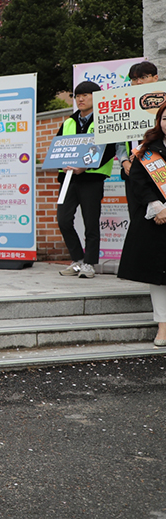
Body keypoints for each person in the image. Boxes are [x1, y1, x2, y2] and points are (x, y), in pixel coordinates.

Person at [56, 81, 117, 279]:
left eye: (85, 95)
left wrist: (87, 167)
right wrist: (62, 167)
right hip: (69, 179)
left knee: (91, 221)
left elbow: (109, 150)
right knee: (63, 219)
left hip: (92, 178)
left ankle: (89, 263)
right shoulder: (68, 122)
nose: (80, 99)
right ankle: (77, 260)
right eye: (77, 96)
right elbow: (58, 149)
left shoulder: (104, 120)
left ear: (96, 97)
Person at [117, 101, 166, 346]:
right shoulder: (148, 150)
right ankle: (163, 327)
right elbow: (138, 181)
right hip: (157, 220)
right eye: (165, 119)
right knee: (158, 276)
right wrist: (157, 206)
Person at [119, 61, 159, 177]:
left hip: (159, 166)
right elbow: (119, 139)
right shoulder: (123, 106)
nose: (139, 82)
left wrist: (142, 150)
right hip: (132, 169)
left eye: (143, 77)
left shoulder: (162, 102)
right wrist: (124, 161)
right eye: (134, 79)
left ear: (155, 78)